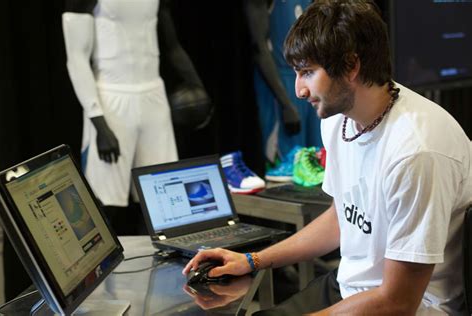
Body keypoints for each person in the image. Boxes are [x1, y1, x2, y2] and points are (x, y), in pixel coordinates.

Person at [183, 1, 472, 314]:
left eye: (307, 73)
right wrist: (252, 260)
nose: (299, 90)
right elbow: (341, 219)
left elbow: (398, 302)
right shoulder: (337, 119)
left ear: (351, 66)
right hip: (351, 287)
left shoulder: (416, 152)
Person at [62, 0, 209, 233]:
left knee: (162, 201)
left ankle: (162, 264)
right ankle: (103, 268)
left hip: (154, 98)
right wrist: (98, 121)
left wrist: (198, 89)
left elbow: (172, 47)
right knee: (103, 204)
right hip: (111, 100)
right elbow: (77, 60)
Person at [244, 0, 322, 165]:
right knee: (288, 166)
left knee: (317, 163)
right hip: (281, 83)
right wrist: (286, 104)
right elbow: (259, 47)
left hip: (313, 79)